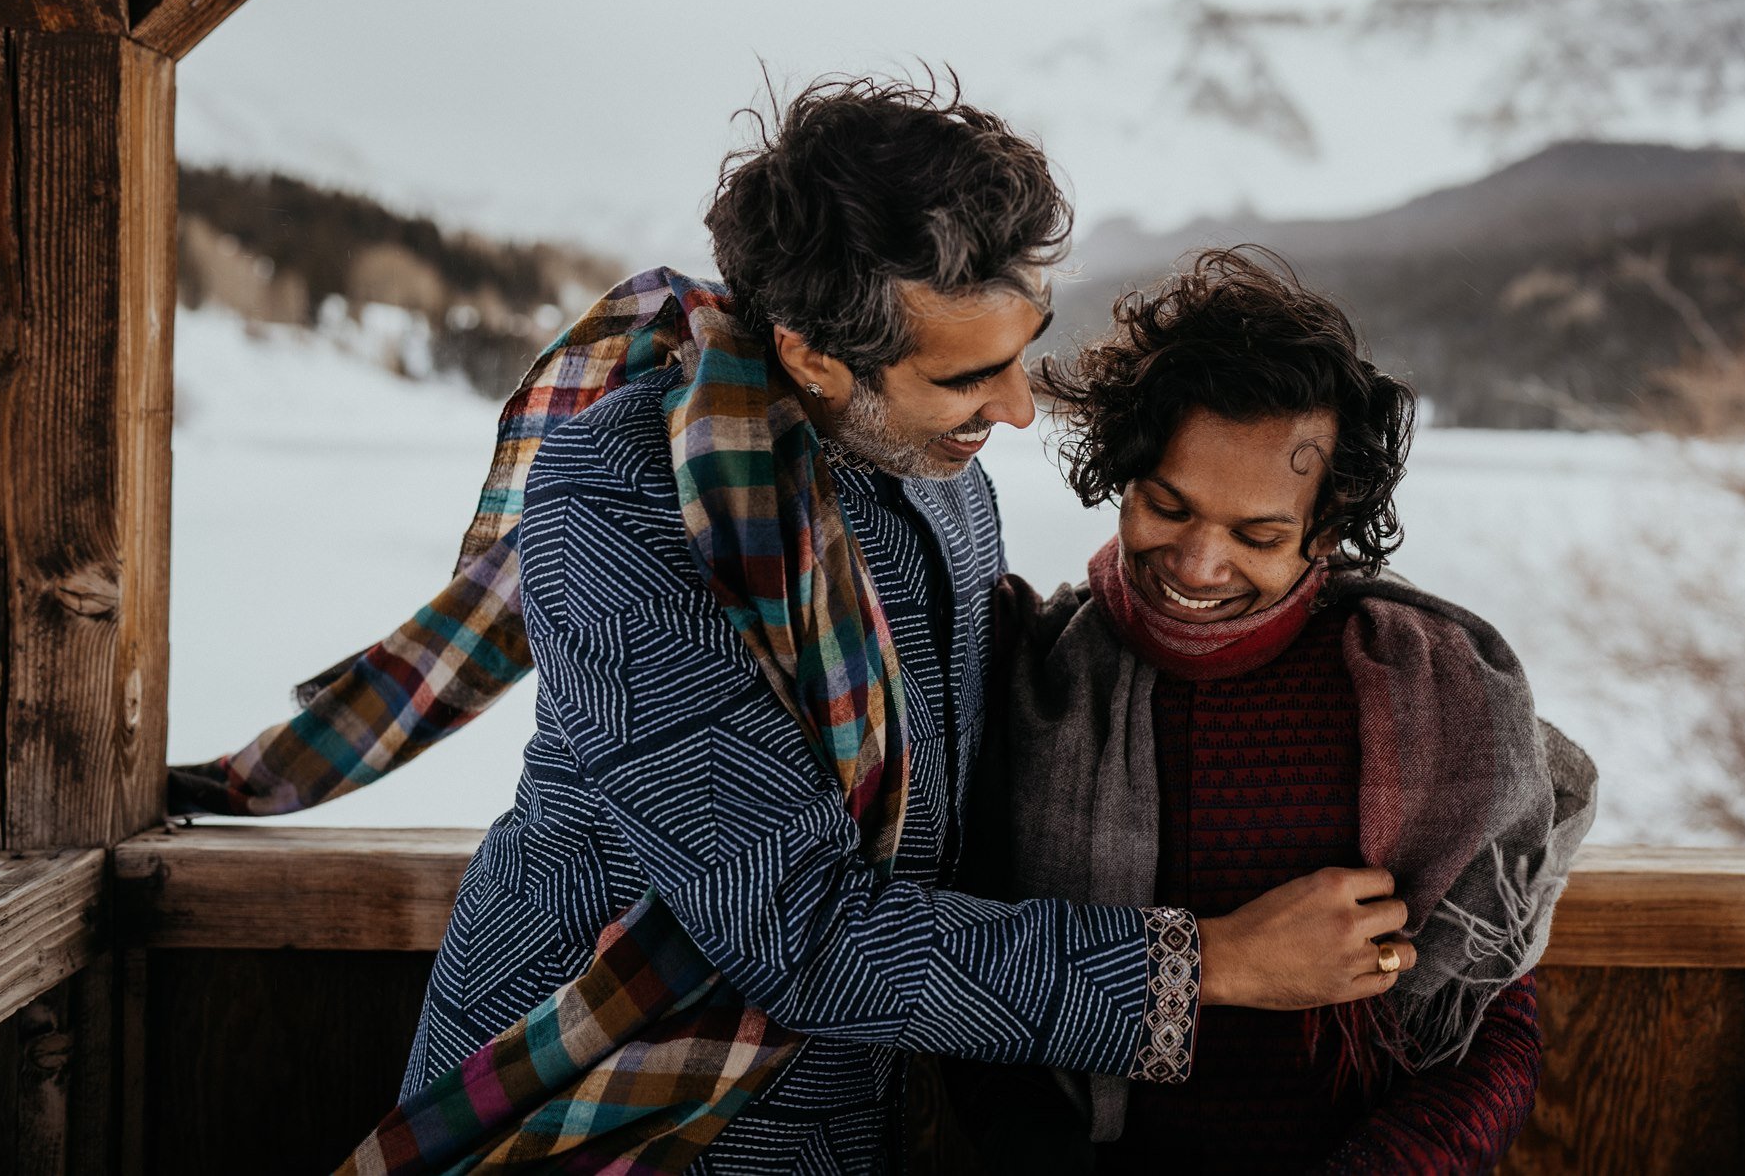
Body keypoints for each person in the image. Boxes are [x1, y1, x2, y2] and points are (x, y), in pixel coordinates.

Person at [243, 79, 1428, 1173]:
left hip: (873, 1087)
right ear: (812, 353)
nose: (1016, 408)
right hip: (621, 1086)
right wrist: (1209, 964)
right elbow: (797, 928)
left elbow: (969, 689)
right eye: (970, 378)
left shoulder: (924, 457)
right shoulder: (623, 504)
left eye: (1021, 355)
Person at [950, 248, 1598, 1174]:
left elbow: (1487, 1019)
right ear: (1120, 473)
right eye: (1166, 505)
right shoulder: (1030, 677)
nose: (1200, 563)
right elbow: (981, 981)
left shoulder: (1432, 692)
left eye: (1259, 534)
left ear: (1326, 529)